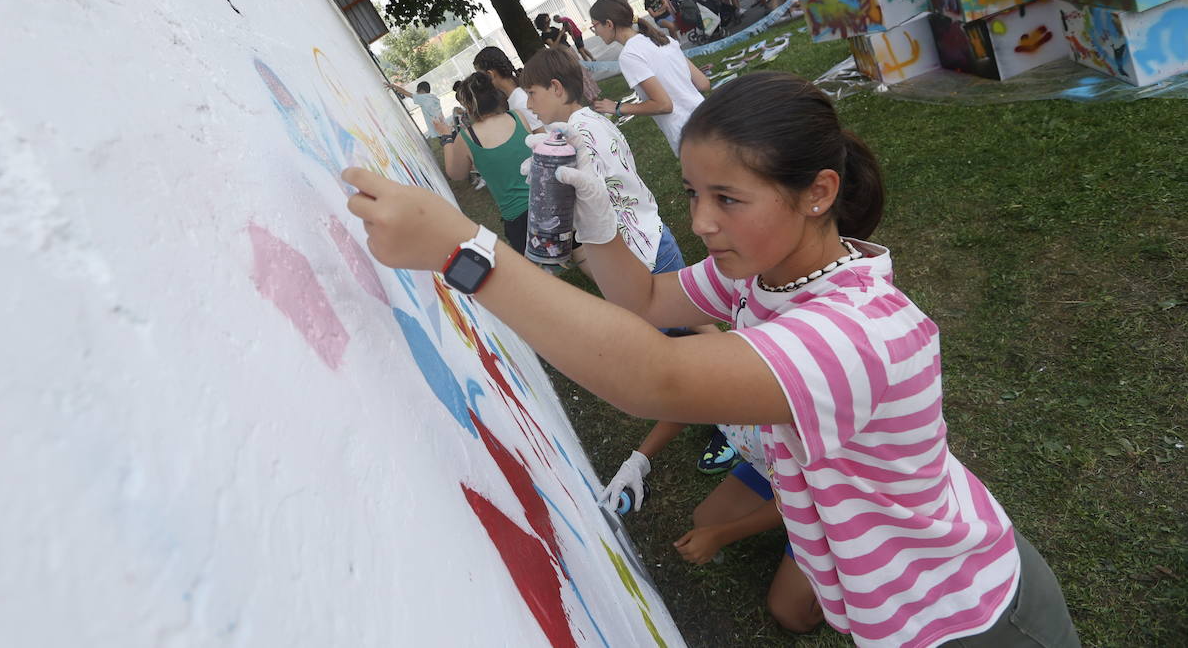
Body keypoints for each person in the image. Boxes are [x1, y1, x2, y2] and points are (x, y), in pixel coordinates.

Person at [342, 70, 1081, 645]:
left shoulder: (861, 332)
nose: (699, 221)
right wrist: (600, 227)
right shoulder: (767, 276)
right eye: (694, 193)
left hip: (973, 616)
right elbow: (645, 303)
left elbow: (653, 376)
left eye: (728, 198)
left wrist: (464, 251)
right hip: (894, 599)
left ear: (819, 193)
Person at [518, 47, 685, 276]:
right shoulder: (591, 119)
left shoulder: (578, 136)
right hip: (649, 239)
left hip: (642, 256)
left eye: (531, 93)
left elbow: (593, 206)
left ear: (556, 88)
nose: (528, 104)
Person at [587, 0, 709, 153]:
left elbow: (664, 105)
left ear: (608, 24)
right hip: (708, 117)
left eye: (594, 26)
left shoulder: (630, 55)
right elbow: (703, 83)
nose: (595, 32)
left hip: (689, 135)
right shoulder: (661, 38)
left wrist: (618, 108)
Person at [433, 71, 532, 251]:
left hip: (519, 218)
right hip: (547, 198)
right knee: (579, 252)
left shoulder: (468, 137)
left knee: (535, 270)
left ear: (469, 106)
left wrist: (446, 137)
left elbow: (456, 173)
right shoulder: (517, 116)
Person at [473, 46, 543, 133]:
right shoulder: (517, 95)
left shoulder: (520, 102)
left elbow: (542, 136)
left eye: (481, 77)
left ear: (490, 74)